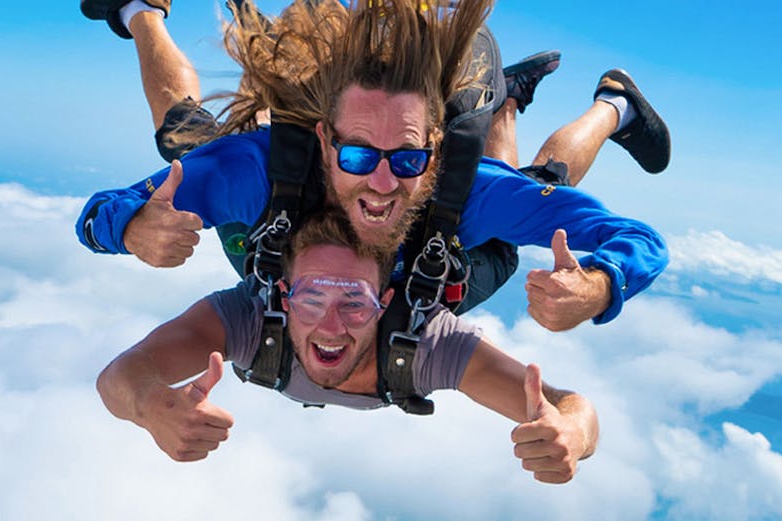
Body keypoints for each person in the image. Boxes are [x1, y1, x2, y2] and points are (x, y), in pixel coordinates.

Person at [76, 0, 669, 331]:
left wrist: (598, 285)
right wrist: (130, 229)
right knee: (188, 140)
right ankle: (140, 9)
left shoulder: (469, 190)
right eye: (358, 154)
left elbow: (634, 236)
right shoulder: (254, 170)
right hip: (272, 221)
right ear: (324, 141)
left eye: (408, 158)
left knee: (533, 195)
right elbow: (103, 211)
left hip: (436, 269)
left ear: (434, 147)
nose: (383, 182)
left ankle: (612, 104)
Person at [96, 209, 600, 484]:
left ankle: (582, 105)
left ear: (385, 302)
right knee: (188, 138)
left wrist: (571, 434)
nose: (332, 326)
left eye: (354, 302)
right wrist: (152, 406)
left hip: (434, 260)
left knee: (523, 190)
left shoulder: (429, 343)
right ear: (285, 296)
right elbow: (122, 373)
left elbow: (567, 408)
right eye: (312, 299)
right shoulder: (248, 316)